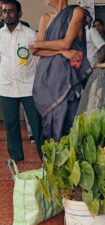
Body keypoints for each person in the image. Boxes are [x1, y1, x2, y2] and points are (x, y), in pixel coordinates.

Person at [30, 0, 92, 141]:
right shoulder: (45, 18)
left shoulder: (76, 12)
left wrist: (40, 44)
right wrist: (62, 52)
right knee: (48, 127)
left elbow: (66, 43)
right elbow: (35, 51)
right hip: (46, 80)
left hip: (66, 80)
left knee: (67, 123)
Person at [0, 0, 43, 162]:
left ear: (19, 14)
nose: (7, 14)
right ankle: (16, 156)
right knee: (11, 125)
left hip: (29, 87)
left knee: (37, 124)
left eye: (11, 11)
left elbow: (38, 62)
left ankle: (44, 156)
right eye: (4, 11)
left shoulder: (30, 35)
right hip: (6, 87)